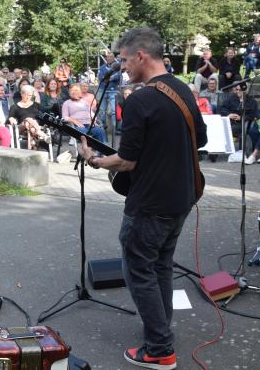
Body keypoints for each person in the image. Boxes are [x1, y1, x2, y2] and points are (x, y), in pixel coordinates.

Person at [79, 28, 206, 370]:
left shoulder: (139, 100)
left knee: (138, 269)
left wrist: (92, 159)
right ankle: (161, 330)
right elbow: (201, 138)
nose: (121, 67)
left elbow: (127, 160)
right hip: (182, 197)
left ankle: (160, 350)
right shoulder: (182, 89)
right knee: (160, 266)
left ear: (141, 56)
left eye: (122, 59)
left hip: (151, 203)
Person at [8, 85, 49, 150]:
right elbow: (10, 118)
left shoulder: (36, 105)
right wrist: (11, 119)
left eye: (29, 95)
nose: (27, 97)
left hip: (33, 128)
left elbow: (42, 117)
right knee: (28, 119)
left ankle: (31, 150)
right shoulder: (14, 107)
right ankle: (43, 135)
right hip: (21, 127)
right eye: (25, 95)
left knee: (30, 127)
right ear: (21, 94)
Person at [98, 52, 121, 130]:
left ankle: (115, 129)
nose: (109, 58)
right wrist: (111, 77)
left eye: (111, 57)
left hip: (113, 90)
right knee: (102, 111)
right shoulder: (102, 67)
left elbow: (118, 77)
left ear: (114, 58)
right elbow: (101, 77)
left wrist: (108, 77)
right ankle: (103, 128)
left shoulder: (117, 67)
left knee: (114, 111)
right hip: (102, 90)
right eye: (108, 57)